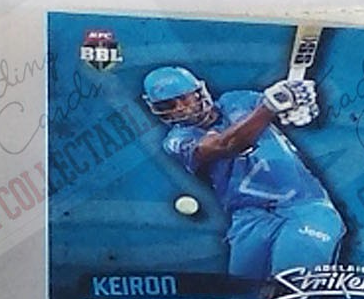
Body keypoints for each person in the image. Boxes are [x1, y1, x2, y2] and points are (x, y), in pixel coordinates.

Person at [142, 64, 344, 282]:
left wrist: (300, 104)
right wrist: (270, 106)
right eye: (168, 105)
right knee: (243, 295)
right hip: (248, 219)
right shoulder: (176, 141)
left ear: (199, 92)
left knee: (292, 287)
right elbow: (226, 145)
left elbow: (283, 108)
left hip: (304, 206)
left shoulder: (239, 100)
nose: (180, 108)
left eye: (184, 98)